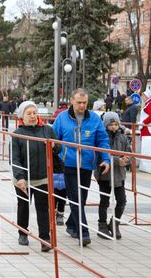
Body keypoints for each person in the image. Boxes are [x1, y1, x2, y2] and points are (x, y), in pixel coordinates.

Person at [53, 88, 111, 246]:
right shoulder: (62, 118)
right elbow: (54, 139)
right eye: (79, 102)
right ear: (72, 100)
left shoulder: (94, 119)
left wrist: (106, 159)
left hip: (86, 164)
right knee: (75, 198)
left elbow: (102, 140)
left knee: (82, 199)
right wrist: (58, 156)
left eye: (85, 103)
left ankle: (71, 224)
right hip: (68, 164)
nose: (82, 105)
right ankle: (83, 232)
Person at [11, 101, 60, 252]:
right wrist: (19, 177)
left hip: (42, 177)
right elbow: (15, 158)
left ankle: (45, 238)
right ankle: (23, 233)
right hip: (23, 178)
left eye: (34, 113)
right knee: (24, 205)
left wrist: (54, 146)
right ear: (22, 117)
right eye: (29, 113)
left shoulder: (47, 130)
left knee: (43, 208)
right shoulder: (17, 134)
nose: (32, 116)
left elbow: (58, 148)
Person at [95, 112, 131, 240]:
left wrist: (126, 160)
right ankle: (102, 225)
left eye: (116, 124)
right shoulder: (101, 137)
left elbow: (129, 153)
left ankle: (114, 223)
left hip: (119, 175)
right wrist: (116, 160)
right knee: (104, 201)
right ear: (105, 125)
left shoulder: (123, 137)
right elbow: (100, 154)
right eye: (111, 125)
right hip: (105, 175)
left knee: (121, 201)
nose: (114, 127)